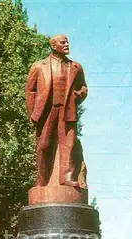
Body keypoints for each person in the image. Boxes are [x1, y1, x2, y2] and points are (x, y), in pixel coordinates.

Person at [26, 34, 88, 187]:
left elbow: (83, 88)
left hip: (67, 110)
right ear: (53, 46)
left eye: (68, 42)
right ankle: (42, 180)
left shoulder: (76, 67)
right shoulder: (39, 66)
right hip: (46, 111)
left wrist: (77, 96)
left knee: (68, 144)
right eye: (63, 42)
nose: (67, 45)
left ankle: (67, 177)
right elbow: (30, 91)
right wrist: (33, 114)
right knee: (44, 145)